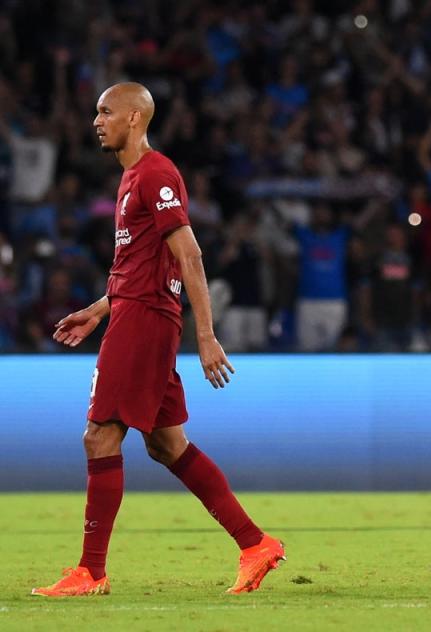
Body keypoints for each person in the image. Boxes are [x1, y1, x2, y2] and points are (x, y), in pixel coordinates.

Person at [31, 83, 285, 597]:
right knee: (167, 444)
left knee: (99, 434)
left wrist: (207, 335)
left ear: (134, 117)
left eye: (105, 112)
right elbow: (142, 263)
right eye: (95, 112)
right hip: (133, 313)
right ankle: (256, 544)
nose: (96, 120)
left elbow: (189, 255)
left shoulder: (155, 173)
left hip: (146, 321)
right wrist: (102, 309)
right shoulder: (131, 179)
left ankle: (91, 571)